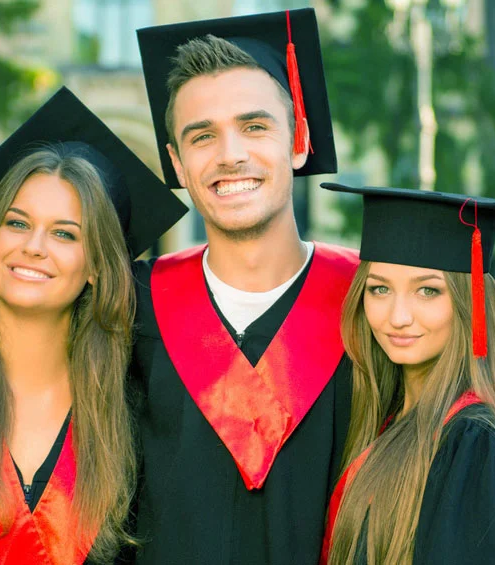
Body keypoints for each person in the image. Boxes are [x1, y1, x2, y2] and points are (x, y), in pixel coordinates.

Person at [0, 87, 187, 565]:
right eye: (16, 223)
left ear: (96, 265)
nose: (33, 246)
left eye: (65, 233)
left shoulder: (132, 412)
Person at [128, 9, 359, 564]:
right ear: (177, 165)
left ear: (298, 142)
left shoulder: (369, 307)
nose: (230, 154)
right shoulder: (134, 310)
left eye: (254, 127)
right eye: (202, 136)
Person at [319, 184, 495, 565]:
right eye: (379, 289)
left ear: (469, 303)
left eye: (427, 291)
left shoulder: (472, 443)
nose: (398, 317)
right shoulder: (385, 418)